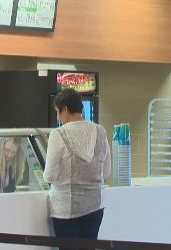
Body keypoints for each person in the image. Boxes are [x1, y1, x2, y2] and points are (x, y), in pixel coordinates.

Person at [44, 88, 111, 248]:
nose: (58, 117)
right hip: (95, 205)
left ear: (65, 109)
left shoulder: (58, 134)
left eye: (58, 112)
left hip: (66, 208)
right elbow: (106, 171)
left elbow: (50, 175)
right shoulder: (100, 131)